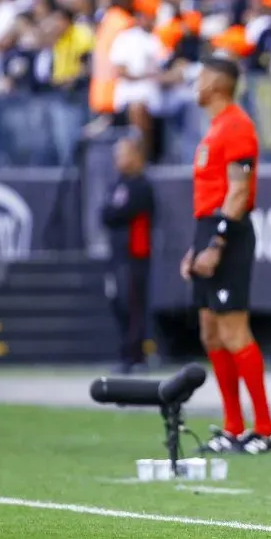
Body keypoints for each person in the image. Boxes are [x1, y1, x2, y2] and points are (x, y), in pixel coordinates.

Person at [179, 55, 271, 455]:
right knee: (210, 331)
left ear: (219, 84)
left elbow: (238, 192)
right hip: (209, 227)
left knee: (234, 329)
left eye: (201, 76)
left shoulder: (237, 125)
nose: (195, 82)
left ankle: (266, 429)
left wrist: (217, 243)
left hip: (229, 233)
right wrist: (197, 246)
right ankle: (233, 426)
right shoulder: (216, 128)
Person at [101, 135, 156, 374]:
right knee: (119, 303)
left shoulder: (142, 186)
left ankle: (136, 355)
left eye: (124, 155)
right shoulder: (118, 185)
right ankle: (126, 353)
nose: (119, 161)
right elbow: (106, 214)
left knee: (132, 304)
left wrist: (114, 212)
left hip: (135, 255)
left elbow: (119, 213)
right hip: (118, 255)